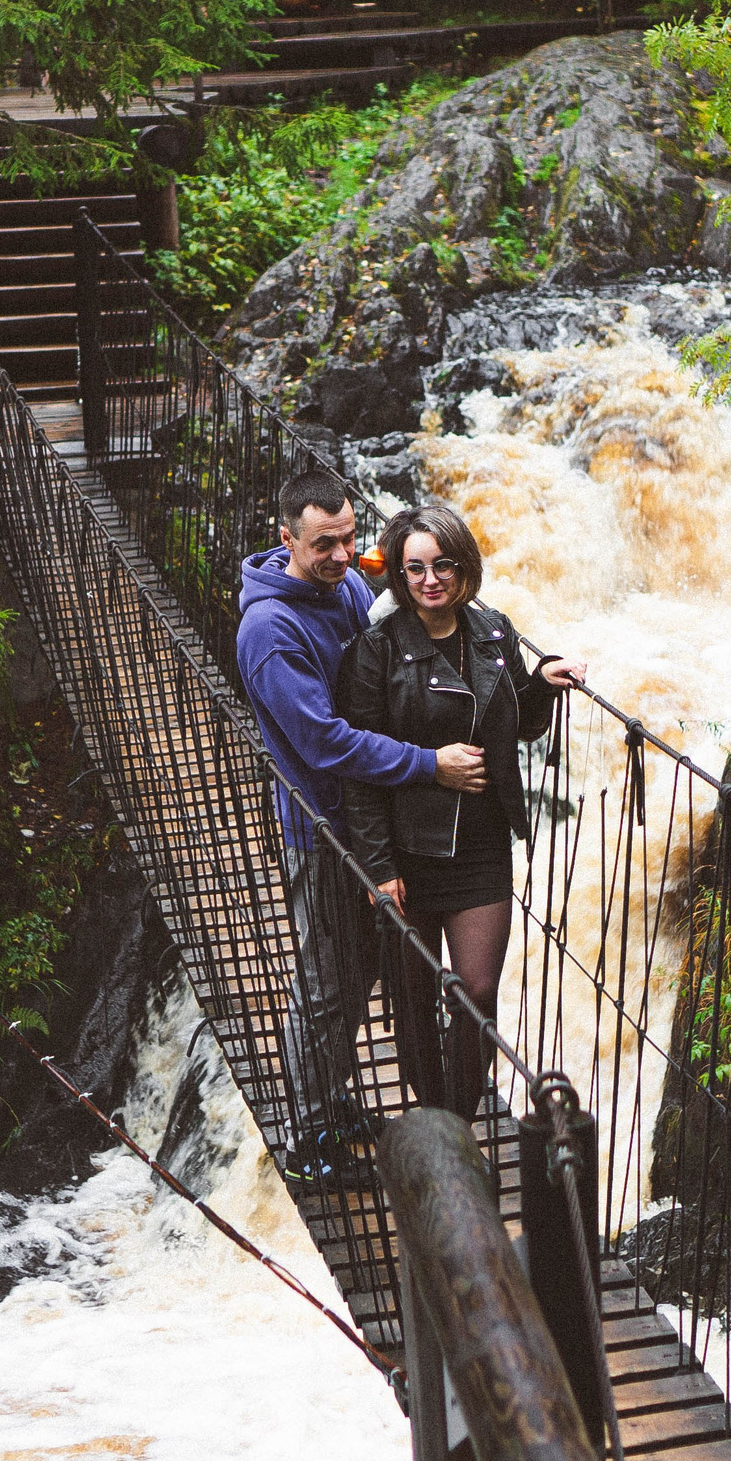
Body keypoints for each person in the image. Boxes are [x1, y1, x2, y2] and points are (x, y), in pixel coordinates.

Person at [237, 467, 487, 1187]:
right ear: (286, 538)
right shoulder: (271, 631)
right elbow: (326, 743)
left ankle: (333, 1099)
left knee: (356, 972)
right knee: (325, 980)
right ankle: (307, 1137)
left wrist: (413, 561)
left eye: (350, 538)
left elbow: (382, 587)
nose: (344, 556)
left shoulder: (344, 578)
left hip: (368, 821)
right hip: (324, 828)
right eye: (325, 545)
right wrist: (428, 764)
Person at [336, 503, 587, 1121]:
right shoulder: (376, 651)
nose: (430, 579)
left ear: (464, 567)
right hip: (407, 851)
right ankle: (435, 1111)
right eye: (415, 567)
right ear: (398, 573)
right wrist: (376, 864)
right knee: (414, 1000)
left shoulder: (494, 632)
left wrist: (541, 685)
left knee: (475, 993)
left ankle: (464, 1114)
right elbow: (358, 767)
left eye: (442, 564)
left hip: (480, 845)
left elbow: (517, 726)